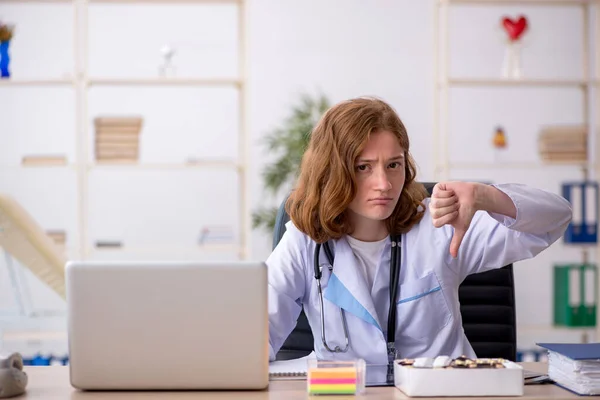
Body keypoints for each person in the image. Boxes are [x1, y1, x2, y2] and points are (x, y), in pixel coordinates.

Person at [266, 97, 572, 368]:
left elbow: (555, 218)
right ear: (333, 171)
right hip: (346, 394)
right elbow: (255, 336)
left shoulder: (439, 224)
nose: (384, 184)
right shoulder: (305, 242)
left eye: (393, 165)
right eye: (363, 167)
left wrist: (484, 196)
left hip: (444, 394)